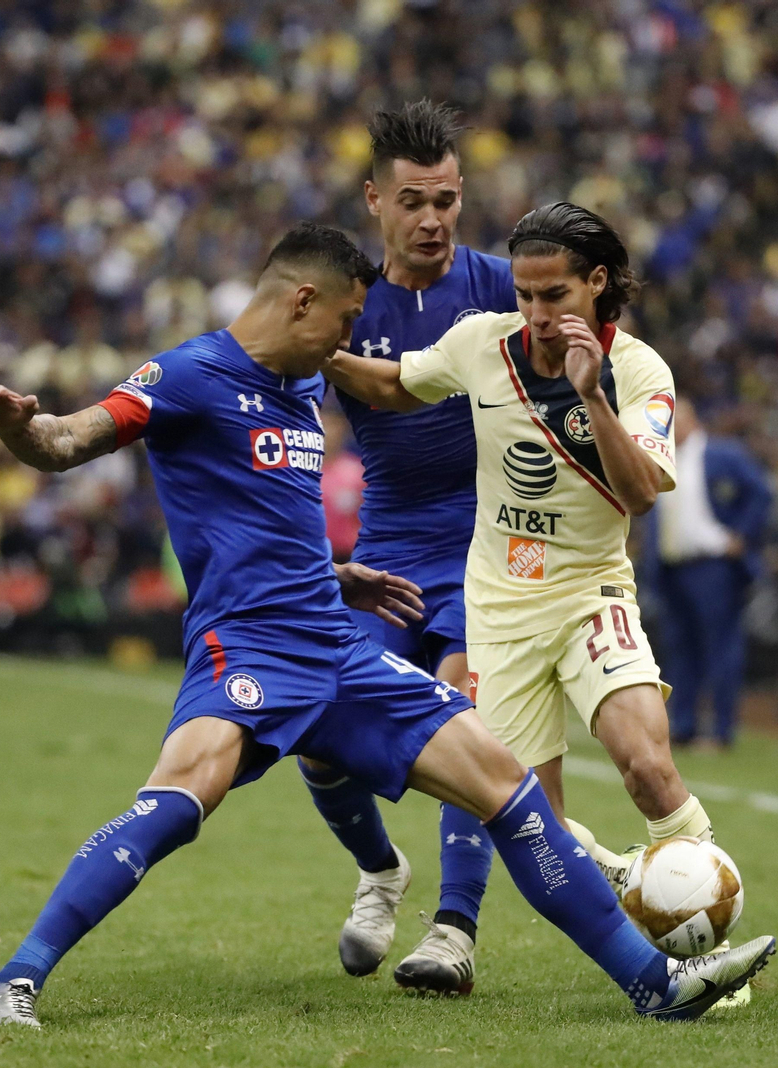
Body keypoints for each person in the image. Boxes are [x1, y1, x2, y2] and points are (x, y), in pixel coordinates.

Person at [0, 221, 775, 1028]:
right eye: (346, 321)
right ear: (304, 301)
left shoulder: (303, 386)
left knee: (505, 784)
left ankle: (652, 983)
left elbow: (266, 515)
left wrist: (333, 574)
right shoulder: (188, 375)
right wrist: (21, 426)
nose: (348, 342)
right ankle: (13, 978)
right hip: (247, 645)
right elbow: (67, 440)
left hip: (335, 644)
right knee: (179, 799)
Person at [326, 203, 741, 998]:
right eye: (524, 295)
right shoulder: (484, 343)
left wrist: (590, 397)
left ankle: (711, 916)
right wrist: (321, 353)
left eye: (555, 296)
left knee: (649, 766)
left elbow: (641, 496)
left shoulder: (641, 372)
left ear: (597, 283)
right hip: (502, 612)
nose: (538, 314)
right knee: (532, 823)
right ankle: (647, 895)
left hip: (591, 593)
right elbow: (397, 386)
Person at [297, 100, 519, 984]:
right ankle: (381, 869)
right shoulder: (343, 304)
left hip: (486, 550)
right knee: (319, 728)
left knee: (463, 716)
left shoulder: (503, 285)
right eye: (414, 201)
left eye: (448, 200)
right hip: (386, 552)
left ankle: (453, 933)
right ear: (375, 202)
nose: (433, 219)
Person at [639, 397, 772, 748]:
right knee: (679, 649)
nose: (672, 425)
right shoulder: (658, 457)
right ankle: (683, 727)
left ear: (693, 419)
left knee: (721, 647)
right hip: (671, 567)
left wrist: (741, 534)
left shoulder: (722, 454)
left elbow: (760, 493)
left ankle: (722, 729)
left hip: (712, 565)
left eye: (677, 418)